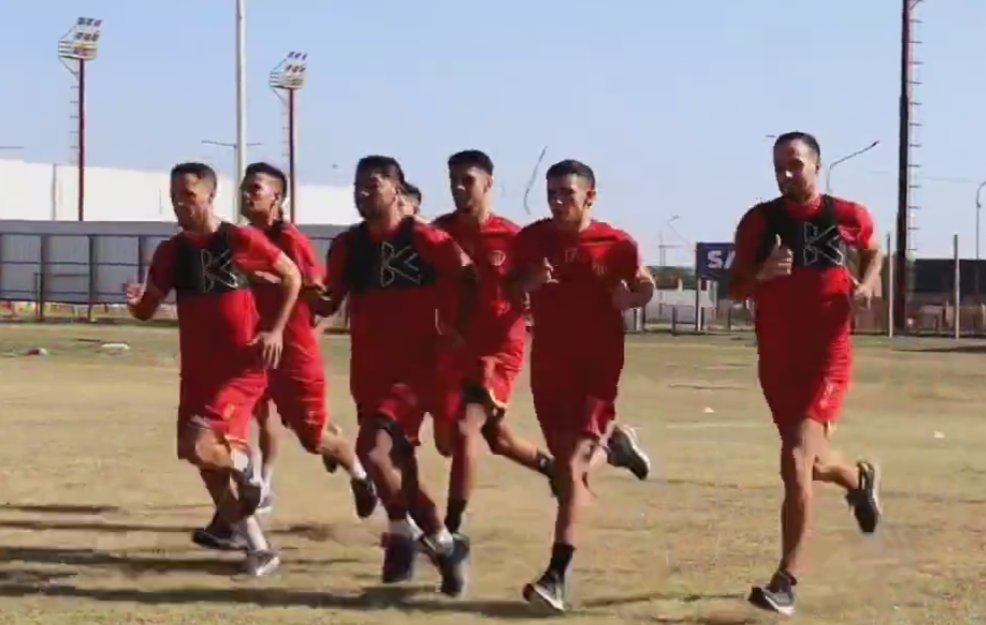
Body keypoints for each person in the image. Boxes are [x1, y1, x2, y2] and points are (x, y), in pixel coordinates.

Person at [729, 131, 883, 616]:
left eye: (795, 164)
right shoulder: (759, 222)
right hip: (777, 361)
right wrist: (761, 276)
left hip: (827, 357)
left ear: (817, 166)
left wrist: (869, 285)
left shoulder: (848, 216)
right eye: (779, 166)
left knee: (795, 460)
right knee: (812, 464)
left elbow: (876, 250)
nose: (786, 174)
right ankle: (857, 480)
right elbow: (732, 290)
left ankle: (786, 580)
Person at [191, 162, 378, 552]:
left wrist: (282, 291)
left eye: (256, 189)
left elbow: (316, 294)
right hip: (250, 352)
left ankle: (360, 474)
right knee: (234, 428)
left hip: (293, 351)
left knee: (313, 438)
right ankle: (231, 521)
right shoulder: (237, 238)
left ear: (277, 197)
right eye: (244, 187)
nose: (246, 194)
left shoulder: (290, 239)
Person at [125, 162, 301, 577]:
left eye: (188, 195)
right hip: (198, 372)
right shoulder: (170, 253)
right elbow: (148, 310)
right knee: (203, 463)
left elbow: (291, 276)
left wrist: (275, 331)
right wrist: (135, 302)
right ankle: (260, 549)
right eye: (174, 197)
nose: (180, 204)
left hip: (240, 368)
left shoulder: (238, 239)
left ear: (209, 195)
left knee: (201, 446)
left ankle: (248, 471)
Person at [311, 155, 474, 591]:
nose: (363, 192)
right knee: (400, 466)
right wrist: (305, 296)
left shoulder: (427, 239)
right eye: (358, 185)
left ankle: (400, 535)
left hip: (417, 372)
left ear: (397, 191)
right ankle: (443, 543)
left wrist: (458, 331)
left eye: (374, 184)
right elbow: (329, 301)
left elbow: (470, 280)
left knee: (374, 451)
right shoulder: (348, 245)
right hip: (369, 371)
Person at [508, 159, 655, 612]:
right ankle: (616, 448)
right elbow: (509, 288)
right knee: (574, 471)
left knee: (571, 470)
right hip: (550, 369)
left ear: (590, 196)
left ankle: (556, 575)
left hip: (597, 368)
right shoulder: (532, 240)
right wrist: (527, 283)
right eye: (551, 193)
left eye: (566, 194)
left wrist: (631, 297)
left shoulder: (616, 243)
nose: (556, 202)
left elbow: (644, 282)